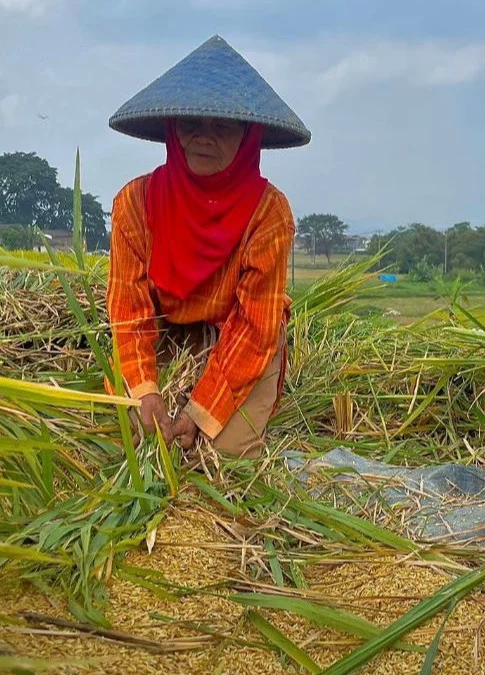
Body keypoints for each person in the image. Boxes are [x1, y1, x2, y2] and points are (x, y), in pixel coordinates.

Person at [105, 35, 311, 459]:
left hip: (235, 334)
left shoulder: (268, 214)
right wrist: (145, 392)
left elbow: (255, 327)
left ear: (248, 135)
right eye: (192, 124)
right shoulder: (135, 203)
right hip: (167, 328)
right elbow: (130, 311)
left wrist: (200, 413)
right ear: (171, 129)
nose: (204, 138)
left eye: (222, 126)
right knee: (134, 436)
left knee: (226, 453)